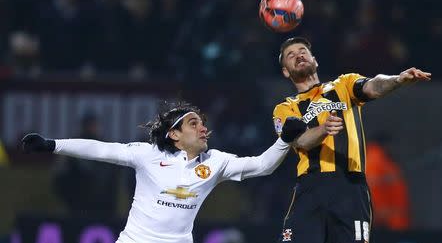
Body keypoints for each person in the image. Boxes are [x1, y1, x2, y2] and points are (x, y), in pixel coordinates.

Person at [22, 101, 307, 243]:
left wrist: (284, 140)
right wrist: (52, 144)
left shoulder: (216, 161)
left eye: (203, 123)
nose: (203, 128)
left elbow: (262, 165)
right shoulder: (148, 155)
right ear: (174, 134)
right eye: (194, 123)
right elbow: (100, 149)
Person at [272, 37, 431, 243]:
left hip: (350, 187)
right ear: (285, 71)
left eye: (303, 51)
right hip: (311, 188)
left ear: (315, 60)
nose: (298, 55)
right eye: (290, 55)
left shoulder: (343, 85)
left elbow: (373, 85)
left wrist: (397, 79)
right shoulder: (285, 108)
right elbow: (300, 141)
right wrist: (324, 129)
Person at [52, 112, 120, 217]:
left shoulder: (106, 148)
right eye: (89, 126)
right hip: (76, 206)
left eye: (94, 126)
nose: (91, 128)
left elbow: (113, 181)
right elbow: (59, 177)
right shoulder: (71, 148)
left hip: (103, 207)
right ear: (83, 127)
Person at [365, 139, 410, 230]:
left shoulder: (383, 161)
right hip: (385, 220)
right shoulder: (375, 160)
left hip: (388, 218)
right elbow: (372, 186)